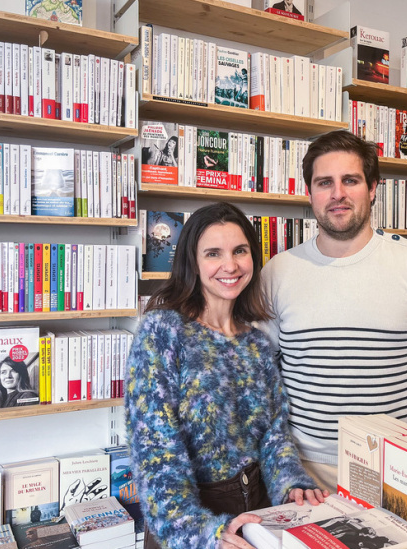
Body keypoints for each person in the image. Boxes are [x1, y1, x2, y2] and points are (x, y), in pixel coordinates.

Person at [260, 130, 407, 492]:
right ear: (309, 192)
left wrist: (399, 404)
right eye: (324, 182)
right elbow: (260, 372)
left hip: (393, 463)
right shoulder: (277, 273)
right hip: (301, 472)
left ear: (373, 188)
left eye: (351, 180)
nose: (337, 193)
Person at [125, 202, 328, 549]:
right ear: (192, 261)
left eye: (240, 251)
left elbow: (274, 436)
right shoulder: (163, 331)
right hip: (191, 524)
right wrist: (201, 534)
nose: (230, 265)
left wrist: (292, 483)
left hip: (258, 513)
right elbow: (154, 452)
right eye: (213, 253)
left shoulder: (257, 343)